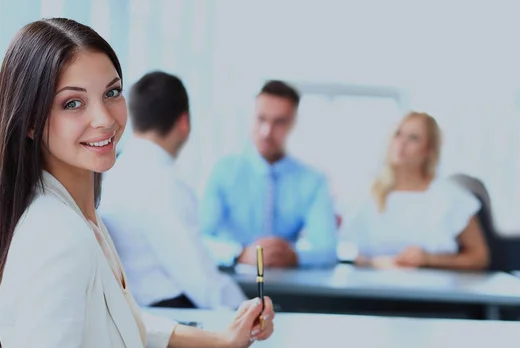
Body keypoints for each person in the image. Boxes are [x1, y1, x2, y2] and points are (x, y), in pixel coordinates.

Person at [0, 18, 274, 348]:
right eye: (72, 103)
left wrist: (223, 339)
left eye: (111, 93)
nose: (105, 119)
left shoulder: (82, 218)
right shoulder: (58, 238)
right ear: (31, 122)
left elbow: (126, 323)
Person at [99, 71, 247, 309]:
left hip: (133, 314)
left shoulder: (111, 175)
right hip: (169, 312)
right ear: (183, 123)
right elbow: (200, 280)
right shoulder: (163, 183)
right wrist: (249, 311)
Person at [201, 80, 338, 268]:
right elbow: (200, 239)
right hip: (232, 284)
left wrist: (294, 256)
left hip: (288, 288)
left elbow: (328, 249)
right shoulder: (223, 170)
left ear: (293, 123)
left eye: (279, 122)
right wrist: (240, 253)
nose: (267, 131)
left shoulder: (313, 181)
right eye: (261, 119)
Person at [339, 111, 490, 270]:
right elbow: (344, 250)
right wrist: (372, 262)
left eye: (413, 138)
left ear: (429, 150)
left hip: (433, 291)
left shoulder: (450, 197)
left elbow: (480, 257)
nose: (401, 143)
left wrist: (429, 260)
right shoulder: (366, 194)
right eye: (398, 134)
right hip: (371, 288)